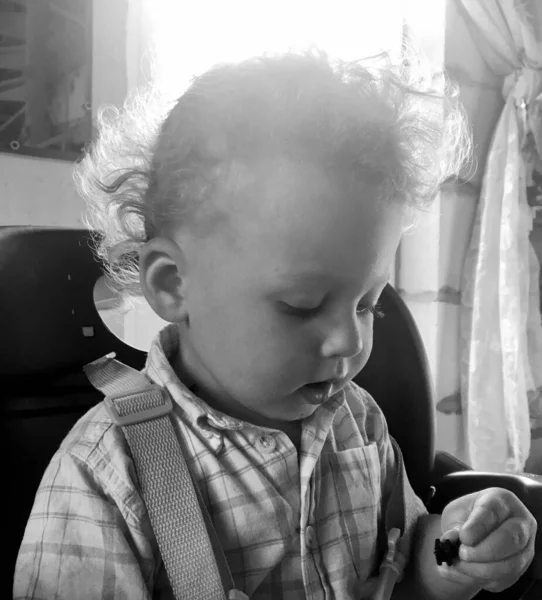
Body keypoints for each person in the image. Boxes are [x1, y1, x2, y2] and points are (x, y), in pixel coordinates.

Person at [14, 50, 536, 599]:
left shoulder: (359, 424)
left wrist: (455, 551)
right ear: (172, 284)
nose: (350, 340)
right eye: (302, 304)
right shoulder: (107, 476)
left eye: (367, 303)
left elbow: (402, 571)